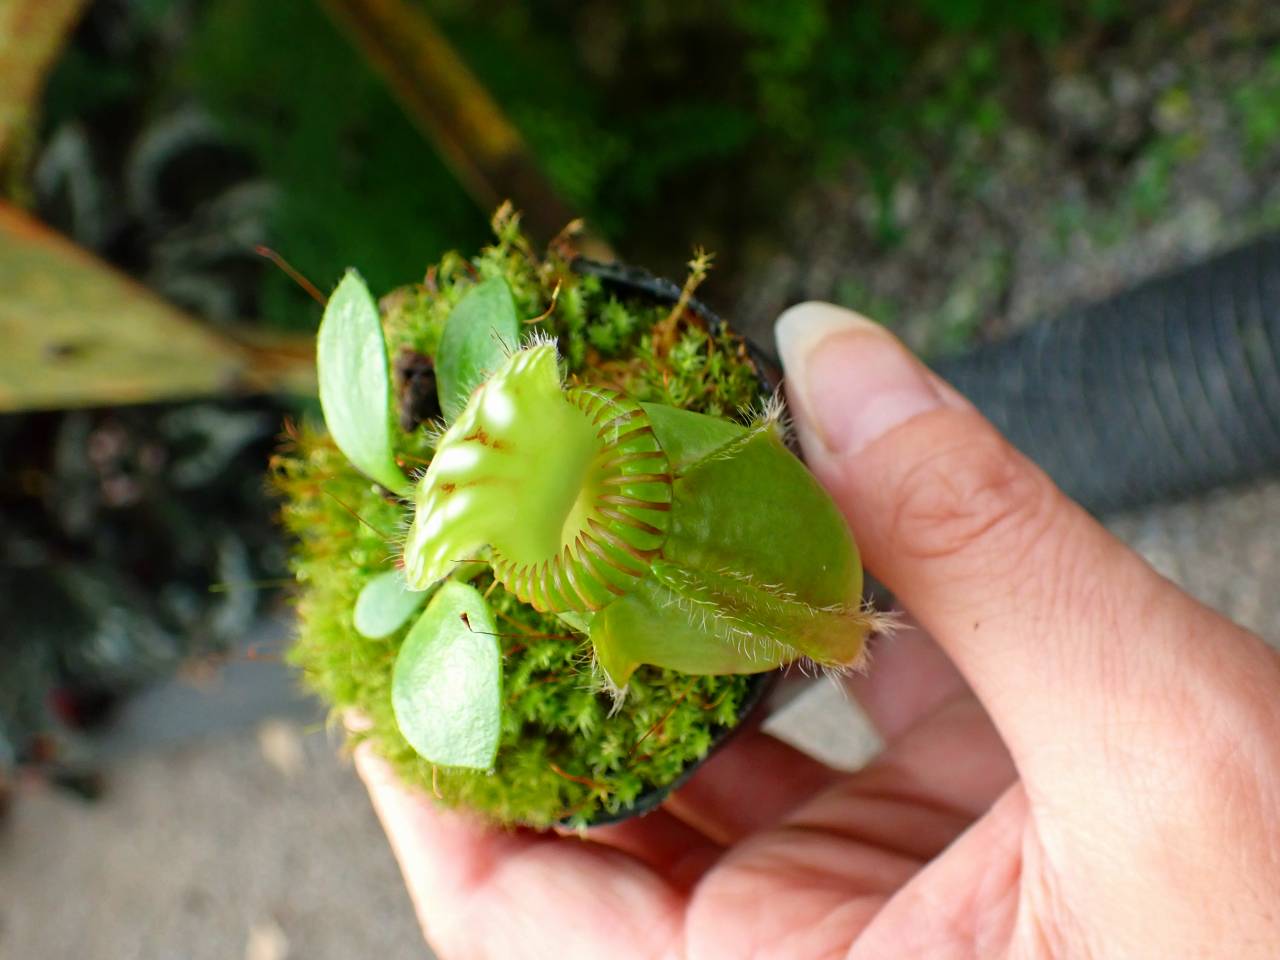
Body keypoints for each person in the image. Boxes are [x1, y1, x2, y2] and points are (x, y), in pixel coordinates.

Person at [355, 302, 1280, 959]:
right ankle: (824, 622)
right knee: (800, 612)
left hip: (686, 501)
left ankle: (826, 621)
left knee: (816, 608)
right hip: (656, 555)